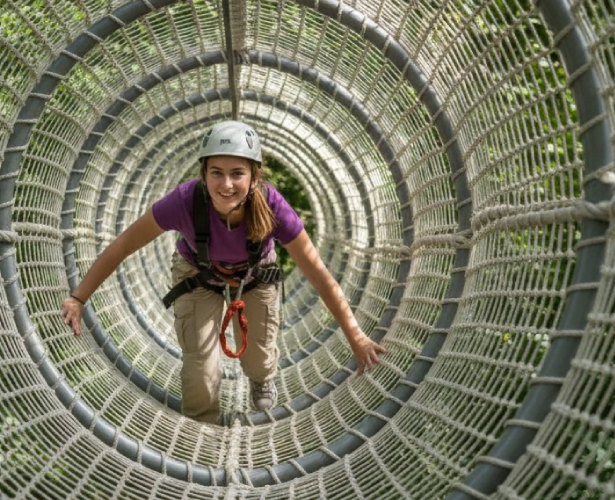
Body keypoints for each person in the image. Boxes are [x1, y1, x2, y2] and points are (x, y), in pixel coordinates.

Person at [61, 120, 386, 424]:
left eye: (237, 173)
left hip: (257, 275)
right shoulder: (184, 202)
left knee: (257, 359)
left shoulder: (273, 208)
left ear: (254, 176)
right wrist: (78, 297)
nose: (226, 184)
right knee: (200, 376)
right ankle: (204, 443)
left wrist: (355, 336)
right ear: (203, 173)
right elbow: (123, 245)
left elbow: (318, 273)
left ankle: (261, 379)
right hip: (197, 275)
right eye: (216, 172)